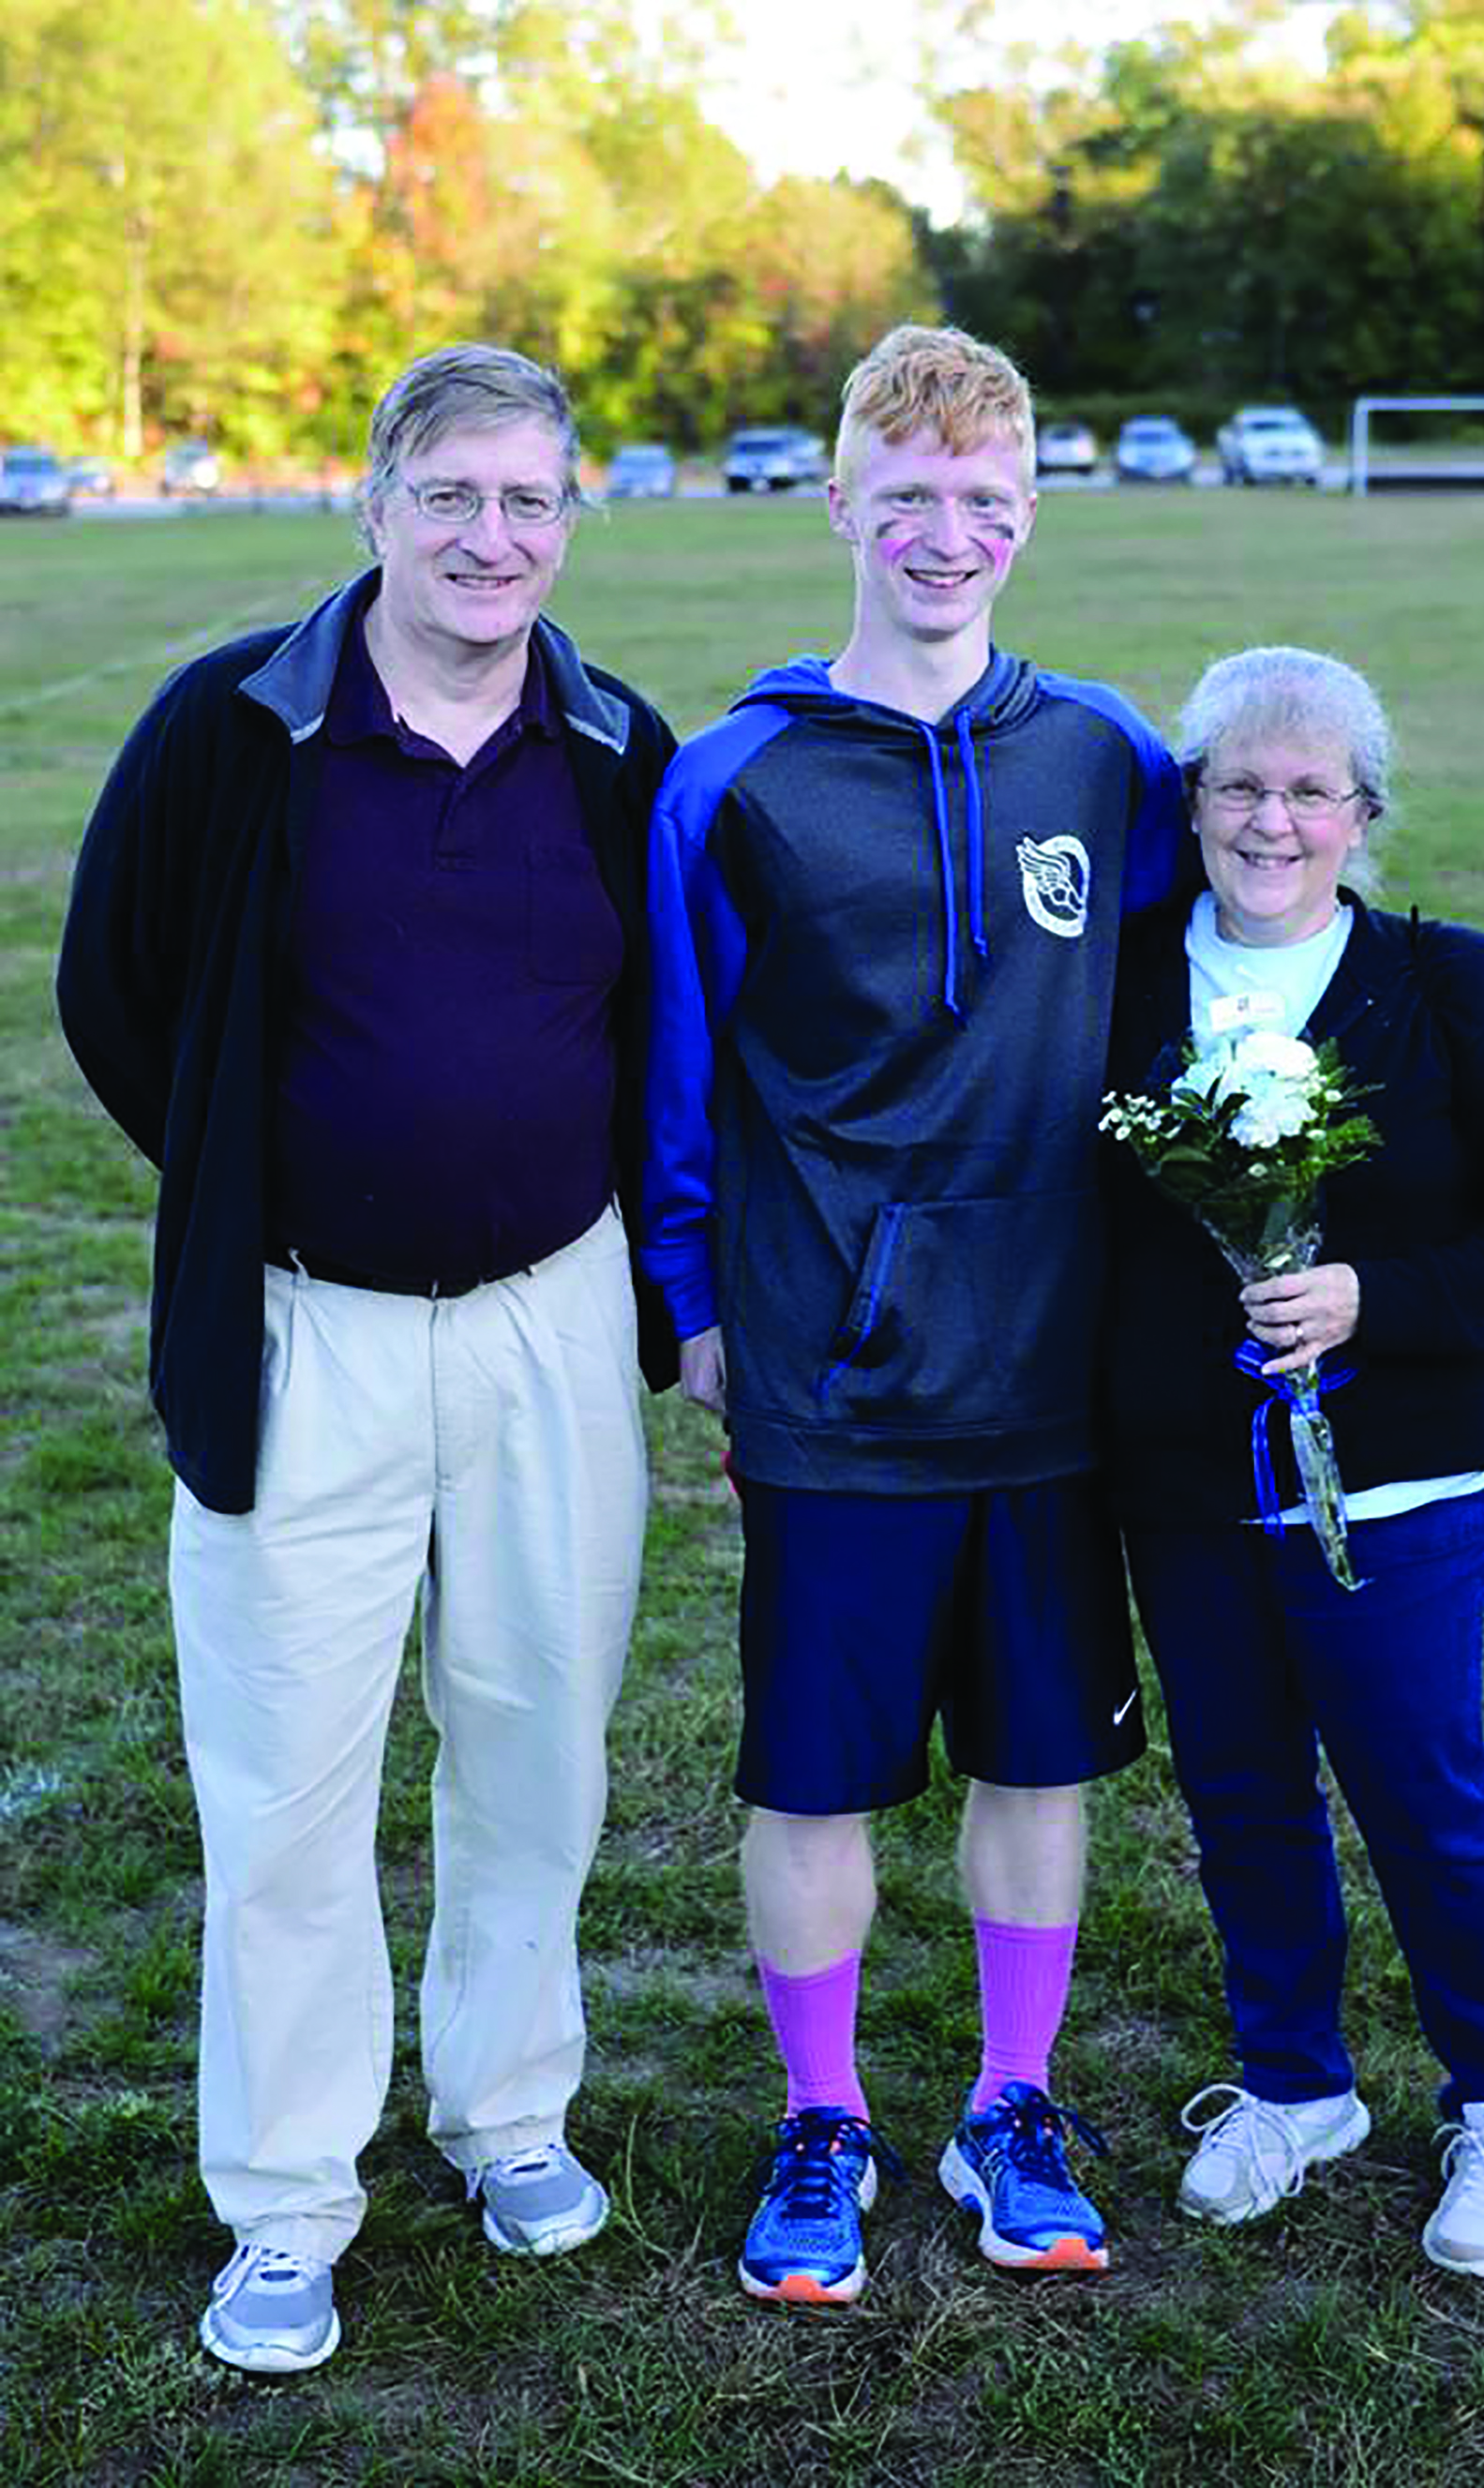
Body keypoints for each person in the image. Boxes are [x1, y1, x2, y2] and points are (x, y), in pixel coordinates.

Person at [55, 344, 679, 2372]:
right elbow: (112, 986)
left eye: (528, 501)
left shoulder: (612, 742)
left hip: (550, 1320)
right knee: (288, 1782)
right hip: (299, 1325)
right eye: (451, 497)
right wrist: (253, 1173)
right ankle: (287, 2200)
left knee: (534, 1746)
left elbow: (663, 1034)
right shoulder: (238, 723)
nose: (490, 538)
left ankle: (507, 2112)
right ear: (375, 509)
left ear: (568, 519)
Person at [642, 322, 1191, 2304]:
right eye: (908, 494)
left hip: (1049, 1366)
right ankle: (823, 2119)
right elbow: (681, 1070)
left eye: (981, 499)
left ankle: (1007, 2099)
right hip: (828, 1368)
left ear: (1024, 517)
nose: (943, 531)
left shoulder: (1107, 757)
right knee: (810, 1775)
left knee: (1034, 1762)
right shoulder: (738, 779)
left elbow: (1194, 995)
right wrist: (693, 1298)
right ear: (838, 505)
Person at [1102, 645, 1484, 2276]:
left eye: (1308, 790)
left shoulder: (1452, 984)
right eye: (1238, 786)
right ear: (1189, 804)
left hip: (1394, 1493)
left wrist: (1369, 1300)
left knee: (1424, 1797)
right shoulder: (1118, 978)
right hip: (1188, 1487)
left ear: (1362, 811)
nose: (1271, 819)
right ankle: (1293, 2082)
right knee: (1241, 1793)